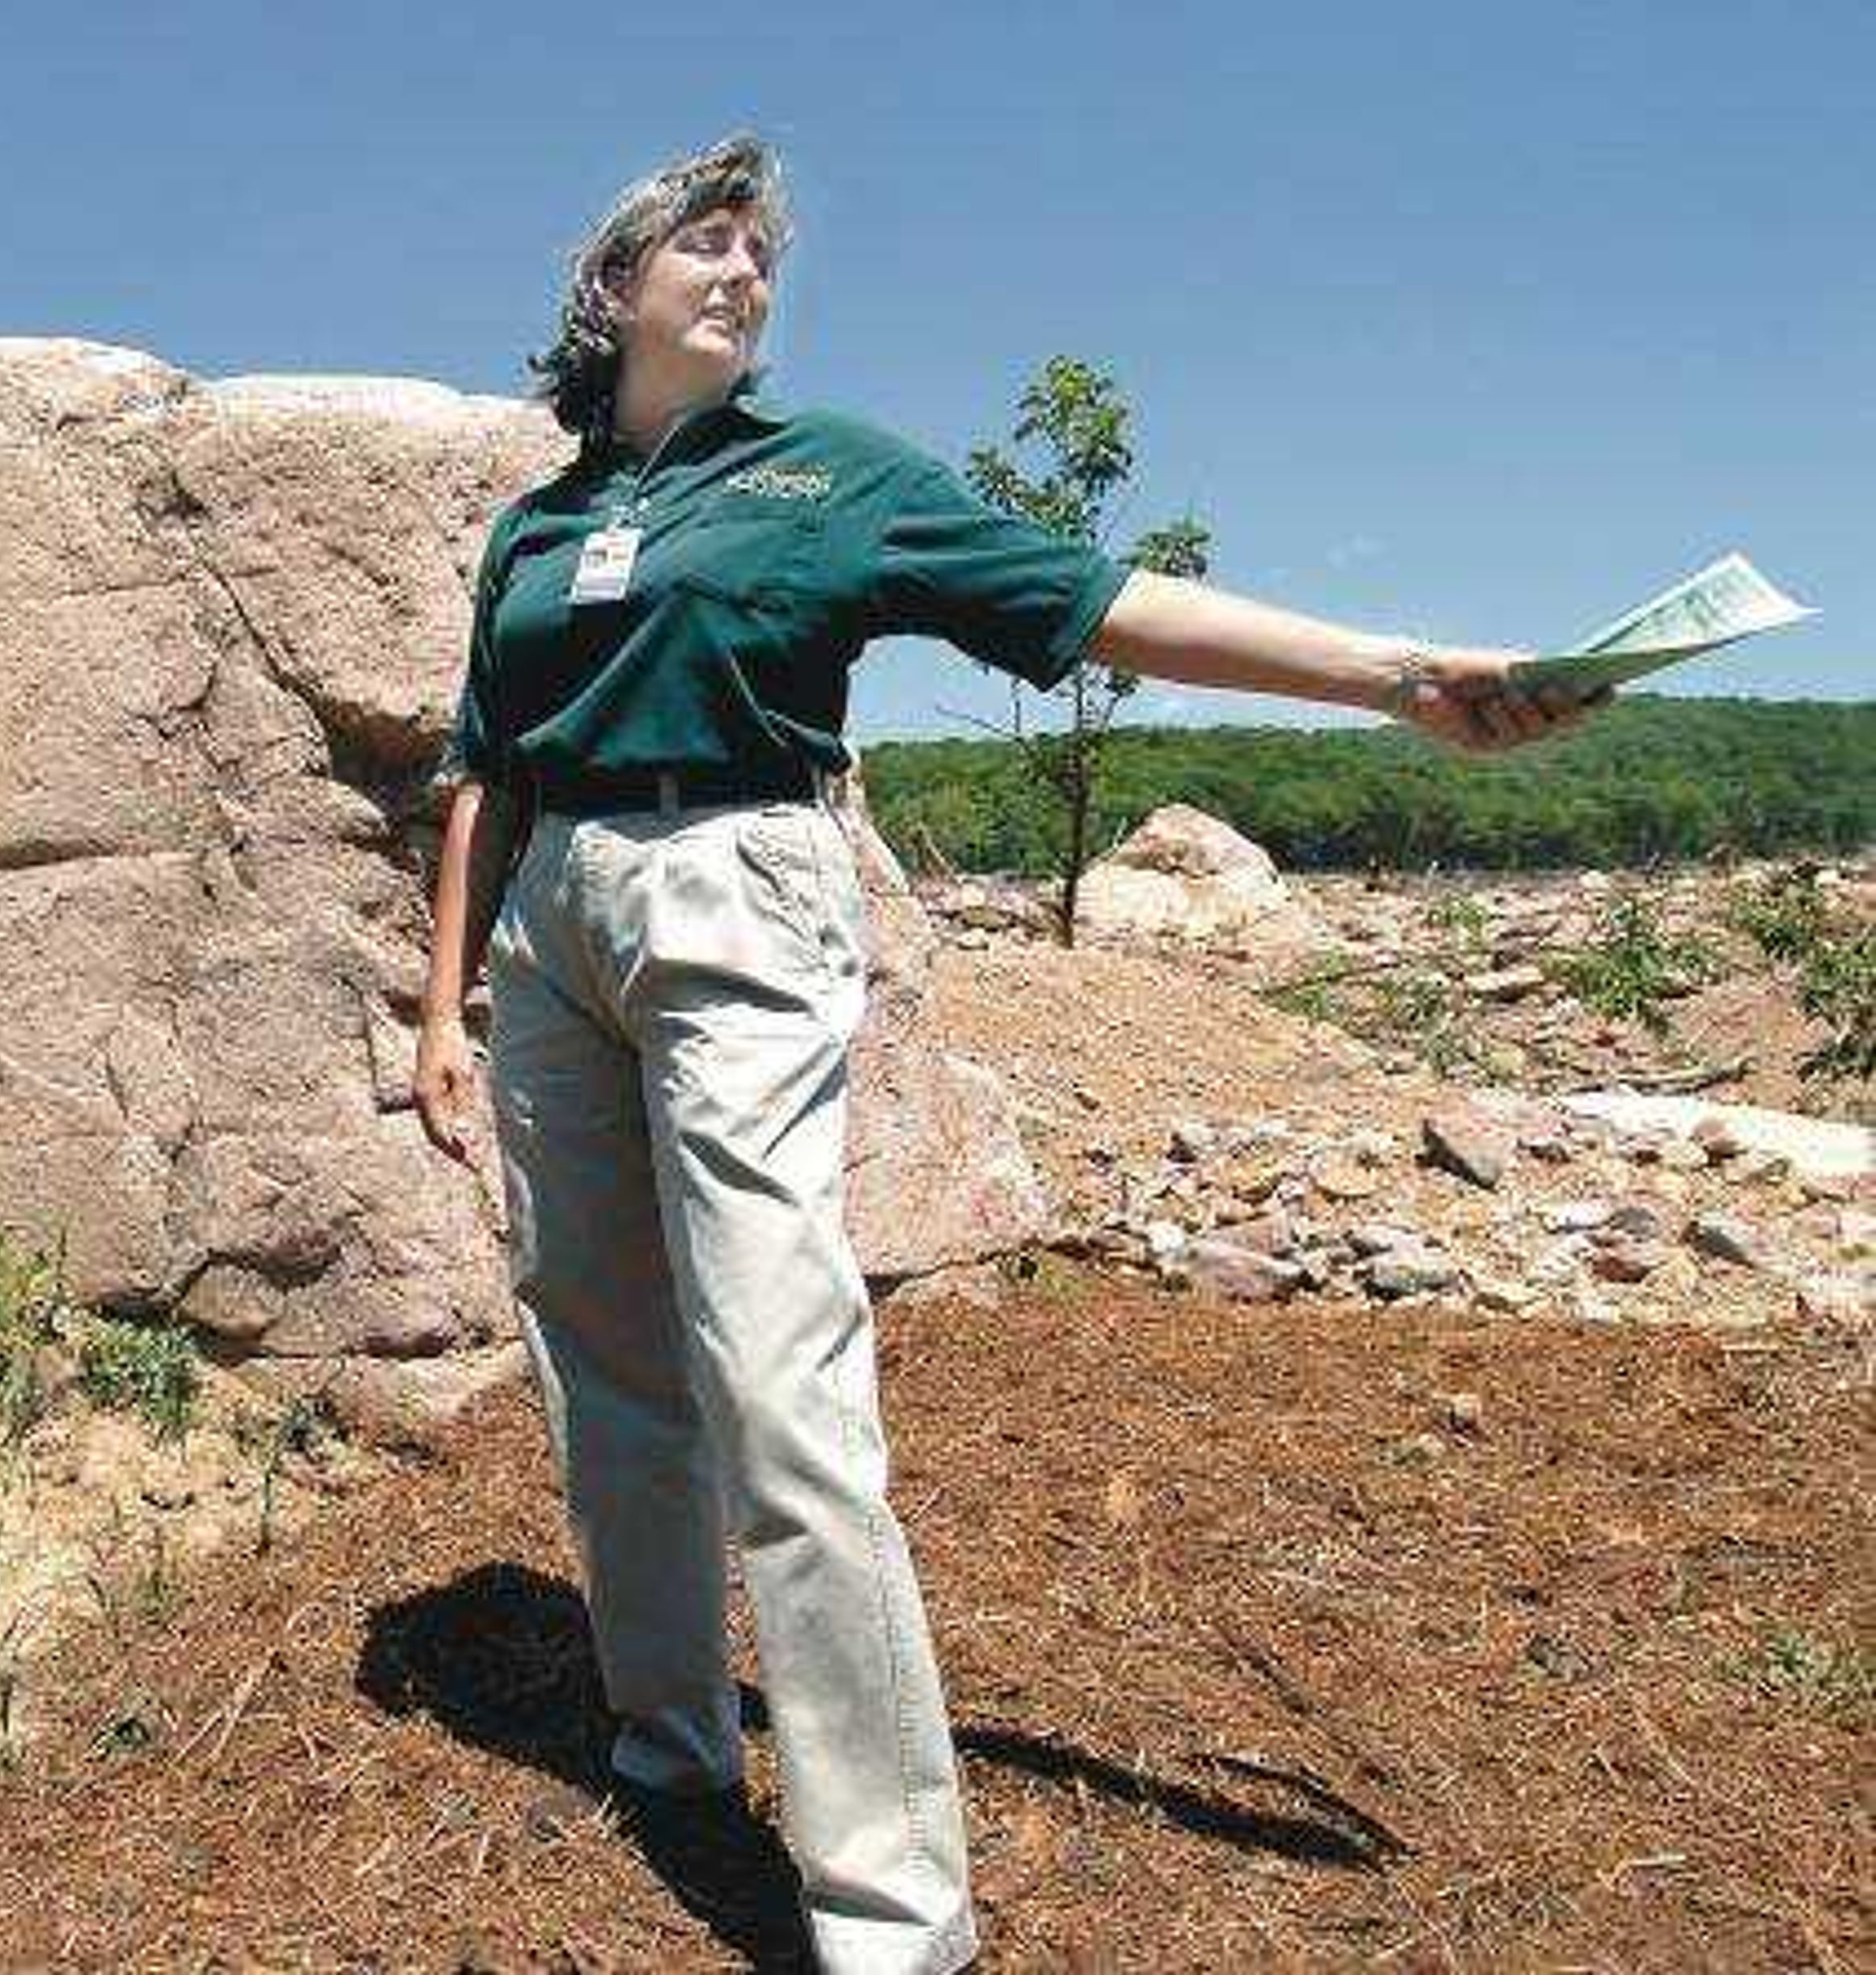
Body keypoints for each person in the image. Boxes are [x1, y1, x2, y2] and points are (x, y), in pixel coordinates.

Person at [409, 134, 1594, 1975]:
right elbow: (485, 769)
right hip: (560, 915)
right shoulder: (538, 528)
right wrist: (443, 1011)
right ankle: (670, 1740)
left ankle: (893, 1913)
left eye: (758, 256)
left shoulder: (831, 476)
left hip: (740, 879)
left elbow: (1097, 598)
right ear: (612, 289)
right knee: (597, 1349)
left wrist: (1395, 673)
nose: (743, 275)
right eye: (702, 247)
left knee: (777, 1376)